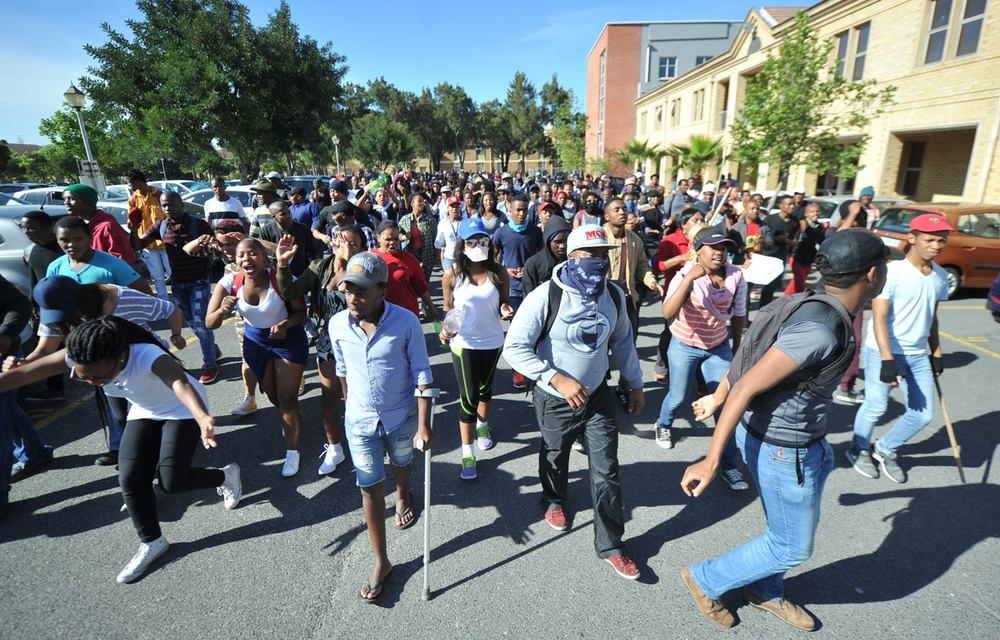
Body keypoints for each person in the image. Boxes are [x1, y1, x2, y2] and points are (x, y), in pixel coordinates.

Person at [678, 229, 889, 631]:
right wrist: (710, 458)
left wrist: (719, 394)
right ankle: (707, 579)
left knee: (785, 530)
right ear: (873, 274)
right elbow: (747, 383)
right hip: (782, 450)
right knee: (792, 544)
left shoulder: (808, 302)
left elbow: (747, 350)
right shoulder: (820, 329)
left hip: (805, 442)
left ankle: (765, 590)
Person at [0, 317, 242, 583]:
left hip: (181, 410)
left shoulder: (147, 355)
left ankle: (224, 475)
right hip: (145, 410)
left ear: (118, 356)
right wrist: (14, 368)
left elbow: (179, 384)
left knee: (172, 481)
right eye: (85, 378)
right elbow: (23, 375)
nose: (93, 383)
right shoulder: (79, 356)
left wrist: (202, 417)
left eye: (98, 377)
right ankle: (152, 541)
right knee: (129, 477)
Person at [503, 224, 645, 580]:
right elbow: (514, 349)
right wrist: (556, 378)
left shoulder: (612, 295)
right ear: (570, 256)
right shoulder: (544, 297)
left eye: (602, 255)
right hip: (554, 400)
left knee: (607, 470)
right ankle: (554, 498)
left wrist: (636, 383)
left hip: (598, 397)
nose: (597, 262)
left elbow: (624, 340)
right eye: (588, 254)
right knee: (555, 454)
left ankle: (612, 544)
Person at [329, 251, 433, 602]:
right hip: (359, 421)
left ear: (382, 290)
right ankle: (381, 560)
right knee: (370, 486)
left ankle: (403, 493)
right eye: (348, 290)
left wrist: (423, 425)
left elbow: (422, 372)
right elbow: (342, 370)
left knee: (401, 464)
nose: (353, 299)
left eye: (361, 291)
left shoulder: (406, 322)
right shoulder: (337, 324)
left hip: (401, 416)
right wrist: (349, 406)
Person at [847, 214, 951, 483]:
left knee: (923, 415)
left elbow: (932, 317)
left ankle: (885, 448)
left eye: (942, 240)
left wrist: (936, 353)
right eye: (930, 239)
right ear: (912, 238)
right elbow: (879, 318)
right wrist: (887, 360)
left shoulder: (940, 276)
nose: (936, 245)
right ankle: (858, 449)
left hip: (917, 354)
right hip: (884, 350)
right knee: (875, 406)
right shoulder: (892, 271)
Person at [654, 229, 749, 491]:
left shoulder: (737, 276)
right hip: (684, 344)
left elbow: (739, 313)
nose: (719, 252)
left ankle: (728, 465)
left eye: (724, 247)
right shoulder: (687, 275)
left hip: (717, 346)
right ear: (698, 251)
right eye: (713, 247)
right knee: (678, 396)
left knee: (724, 405)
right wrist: (688, 279)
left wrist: (737, 346)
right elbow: (667, 312)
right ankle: (663, 424)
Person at [206, 238, 308, 476]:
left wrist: (285, 323)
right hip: (256, 343)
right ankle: (291, 418)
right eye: (241, 255)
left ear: (264, 257)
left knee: (287, 397)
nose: (246, 259)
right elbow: (209, 322)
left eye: (253, 254)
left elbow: (301, 312)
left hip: (288, 339)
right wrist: (222, 309)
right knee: (273, 395)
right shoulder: (230, 282)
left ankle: (293, 452)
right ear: (235, 259)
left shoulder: (280, 278)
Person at [274, 229, 356, 475]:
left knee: (360, 399)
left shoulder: (364, 266)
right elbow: (290, 292)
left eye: (353, 242)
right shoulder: (318, 267)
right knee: (330, 401)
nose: (346, 244)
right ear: (332, 243)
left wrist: (352, 261)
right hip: (328, 344)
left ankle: (369, 443)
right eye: (342, 240)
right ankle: (334, 448)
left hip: (359, 344)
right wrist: (282, 264)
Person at [439, 218, 514, 480]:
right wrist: (445, 328)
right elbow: (448, 309)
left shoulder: (498, 272)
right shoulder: (453, 275)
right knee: (468, 398)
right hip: (464, 344)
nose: (478, 245)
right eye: (472, 240)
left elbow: (504, 302)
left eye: (482, 240)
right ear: (462, 244)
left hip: (492, 341)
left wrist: (505, 309)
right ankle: (467, 453)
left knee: (485, 390)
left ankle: (483, 426)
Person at [135, 191, 220, 384]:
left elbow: (215, 246)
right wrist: (134, 225)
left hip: (199, 281)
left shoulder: (198, 224)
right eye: (164, 205)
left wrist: (206, 244)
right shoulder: (161, 225)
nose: (167, 209)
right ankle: (213, 349)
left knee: (201, 323)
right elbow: (138, 244)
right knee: (191, 323)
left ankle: (210, 364)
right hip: (178, 283)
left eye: (171, 205)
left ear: (181, 204)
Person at [0, 276, 52, 510]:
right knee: (7, 409)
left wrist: (6, 334)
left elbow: (18, 303)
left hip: (3, 356)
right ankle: (34, 453)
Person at [604, 198, 664, 340]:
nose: (622, 212)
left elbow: (642, 265)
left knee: (628, 345)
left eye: (624, 209)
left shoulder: (634, 239)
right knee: (602, 348)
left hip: (627, 300)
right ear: (606, 216)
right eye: (616, 210)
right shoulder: (599, 237)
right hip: (604, 300)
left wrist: (651, 281)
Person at [372, 221, 439, 320]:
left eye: (396, 239)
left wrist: (432, 308)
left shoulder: (409, 258)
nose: (392, 243)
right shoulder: (370, 258)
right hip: (380, 317)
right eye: (388, 239)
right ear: (378, 238)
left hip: (407, 315)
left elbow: (421, 288)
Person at [63, 183, 137, 267]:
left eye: (71, 198)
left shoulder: (107, 226)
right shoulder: (81, 225)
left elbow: (122, 261)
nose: (66, 202)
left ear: (86, 201)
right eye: (64, 199)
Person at [126, 170, 170, 300]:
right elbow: (131, 221)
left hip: (165, 242)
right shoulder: (133, 199)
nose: (130, 187)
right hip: (146, 243)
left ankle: (180, 299)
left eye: (130, 183)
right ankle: (164, 303)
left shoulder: (159, 195)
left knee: (173, 272)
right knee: (157, 276)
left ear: (137, 182)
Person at [253, 200, 317, 277]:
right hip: (278, 274)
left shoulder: (303, 229)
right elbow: (264, 254)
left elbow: (314, 252)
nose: (288, 215)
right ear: (273, 217)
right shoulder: (266, 231)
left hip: (302, 273)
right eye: (283, 214)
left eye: (288, 212)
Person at [757, 194, 800, 308]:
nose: (792, 206)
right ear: (781, 206)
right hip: (767, 255)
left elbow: (794, 239)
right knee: (765, 282)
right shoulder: (770, 219)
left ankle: (765, 307)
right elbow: (762, 235)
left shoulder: (795, 221)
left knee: (773, 283)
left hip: (781, 255)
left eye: (793, 204)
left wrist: (789, 242)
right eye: (789, 204)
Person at [784, 202, 826, 295]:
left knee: (796, 282)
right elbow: (790, 238)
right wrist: (802, 230)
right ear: (806, 214)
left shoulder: (820, 226)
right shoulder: (800, 224)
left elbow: (822, 242)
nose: (815, 213)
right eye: (812, 212)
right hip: (796, 256)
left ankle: (785, 298)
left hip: (809, 257)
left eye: (817, 211)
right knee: (800, 283)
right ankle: (797, 302)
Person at [523, 215, 571, 295]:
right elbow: (528, 297)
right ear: (548, 242)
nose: (562, 246)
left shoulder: (573, 262)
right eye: (557, 242)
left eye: (566, 241)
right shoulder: (533, 264)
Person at [397, 193, 439, 284]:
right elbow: (397, 234)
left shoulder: (430, 220)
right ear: (412, 204)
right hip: (410, 255)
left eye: (423, 202)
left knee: (423, 283)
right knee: (410, 282)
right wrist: (404, 237)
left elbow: (435, 239)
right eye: (419, 201)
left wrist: (436, 256)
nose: (422, 203)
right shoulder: (405, 219)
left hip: (426, 256)